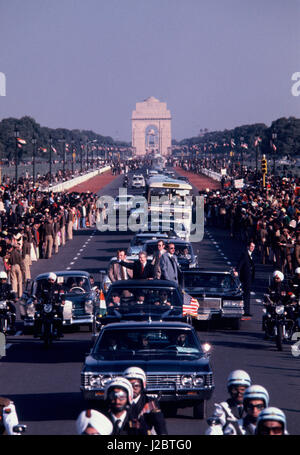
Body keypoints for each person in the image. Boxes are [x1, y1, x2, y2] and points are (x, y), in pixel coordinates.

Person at [123, 367, 168, 435]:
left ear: (142, 385)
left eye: (136, 386)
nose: (132, 389)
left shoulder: (149, 402)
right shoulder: (118, 401)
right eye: (129, 385)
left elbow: (159, 424)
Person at [206, 370, 252, 435]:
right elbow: (215, 428)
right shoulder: (223, 408)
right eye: (235, 390)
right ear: (229, 390)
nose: (239, 394)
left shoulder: (255, 408)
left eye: (242, 390)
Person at [33, 272, 64, 338]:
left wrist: (62, 300)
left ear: (54, 280)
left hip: (54, 305)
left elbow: (62, 295)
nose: (50, 281)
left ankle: (59, 332)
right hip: (44, 304)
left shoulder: (58, 287)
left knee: (59, 315)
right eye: (49, 280)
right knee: (37, 316)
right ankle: (37, 332)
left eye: (52, 280)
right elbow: (38, 294)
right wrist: (36, 299)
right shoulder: (42, 286)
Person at [234, 241, 255, 317]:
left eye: (253, 247)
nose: (252, 248)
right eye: (251, 246)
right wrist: (237, 270)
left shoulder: (250, 254)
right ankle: (246, 311)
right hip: (246, 277)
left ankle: (246, 310)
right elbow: (240, 263)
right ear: (248, 247)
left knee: (247, 294)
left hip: (249, 277)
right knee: (246, 295)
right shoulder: (245, 254)